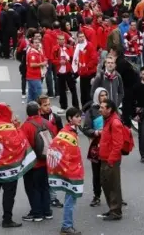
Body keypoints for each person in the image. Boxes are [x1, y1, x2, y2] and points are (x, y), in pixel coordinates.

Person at [0, 103, 29, 228]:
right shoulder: (9, 128)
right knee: (8, 194)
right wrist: (18, 127)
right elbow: (19, 143)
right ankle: (7, 219)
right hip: (8, 168)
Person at [48, 107, 84, 235]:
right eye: (76, 116)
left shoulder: (68, 131)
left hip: (71, 171)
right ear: (69, 118)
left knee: (71, 200)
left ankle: (68, 225)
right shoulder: (68, 133)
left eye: (80, 116)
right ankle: (66, 226)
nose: (79, 118)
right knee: (70, 200)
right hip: (71, 172)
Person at [20, 101, 56, 222]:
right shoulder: (47, 123)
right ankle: (47, 211)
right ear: (39, 111)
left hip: (32, 164)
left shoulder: (26, 126)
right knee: (45, 187)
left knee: (32, 188)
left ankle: (37, 213)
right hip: (46, 161)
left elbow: (23, 145)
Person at [98, 99, 123, 221]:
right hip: (105, 158)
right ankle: (112, 208)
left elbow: (118, 145)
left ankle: (116, 211)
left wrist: (110, 161)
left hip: (110, 160)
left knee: (113, 185)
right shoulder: (107, 120)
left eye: (103, 107)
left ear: (109, 109)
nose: (100, 109)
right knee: (106, 184)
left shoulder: (115, 123)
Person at [81, 87, 107, 207]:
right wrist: (96, 133)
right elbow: (86, 128)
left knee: (111, 173)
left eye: (105, 95)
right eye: (101, 95)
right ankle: (96, 196)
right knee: (97, 173)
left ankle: (115, 196)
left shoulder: (111, 109)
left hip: (109, 145)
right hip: (96, 145)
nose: (104, 97)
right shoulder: (91, 111)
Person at [51, 34, 80, 110]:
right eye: (60, 39)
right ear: (57, 40)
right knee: (61, 90)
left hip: (68, 71)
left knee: (73, 89)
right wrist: (59, 62)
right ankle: (63, 106)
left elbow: (73, 57)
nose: (62, 41)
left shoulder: (68, 47)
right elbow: (53, 60)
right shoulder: (55, 48)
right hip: (60, 72)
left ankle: (76, 105)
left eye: (63, 39)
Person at [72, 31, 98, 107]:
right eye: (80, 37)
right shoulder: (77, 46)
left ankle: (90, 108)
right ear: (77, 38)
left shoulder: (89, 45)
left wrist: (87, 67)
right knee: (83, 92)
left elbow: (94, 59)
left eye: (83, 36)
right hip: (82, 73)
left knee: (89, 92)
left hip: (90, 72)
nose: (82, 38)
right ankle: (84, 108)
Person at [26, 36, 48, 103]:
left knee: (31, 94)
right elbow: (32, 64)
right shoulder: (32, 53)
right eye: (35, 43)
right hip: (34, 77)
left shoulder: (37, 51)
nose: (37, 44)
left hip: (33, 76)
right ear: (32, 44)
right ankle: (38, 108)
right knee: (39, 94)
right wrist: (42, 63)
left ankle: (30, 108)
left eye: (38, 42)